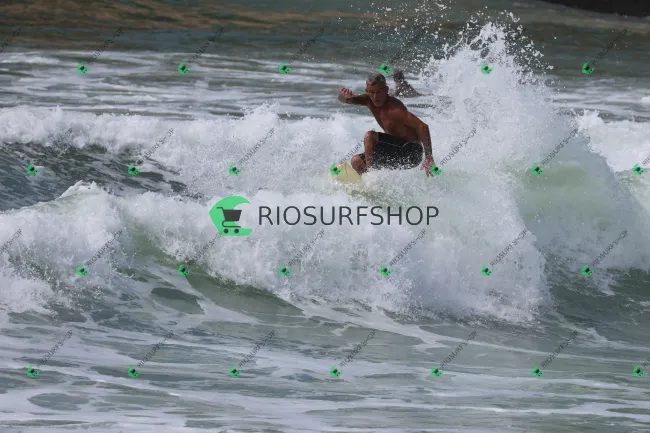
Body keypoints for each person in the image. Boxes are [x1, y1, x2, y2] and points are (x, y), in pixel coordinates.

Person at [338, 73, 434, 177]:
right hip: (395, 149)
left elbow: (422, 126)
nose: (375, 97)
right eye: (372, 92)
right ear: (367, 91)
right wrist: (343, 96)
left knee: (370, 136)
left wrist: (429, 157)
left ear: (386, 90)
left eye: (379, 91)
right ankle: (372, 184)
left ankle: (371, 177)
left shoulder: (395, 109)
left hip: (412, 153)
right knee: (356, 161)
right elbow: (345, 100)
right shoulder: (368, 100)